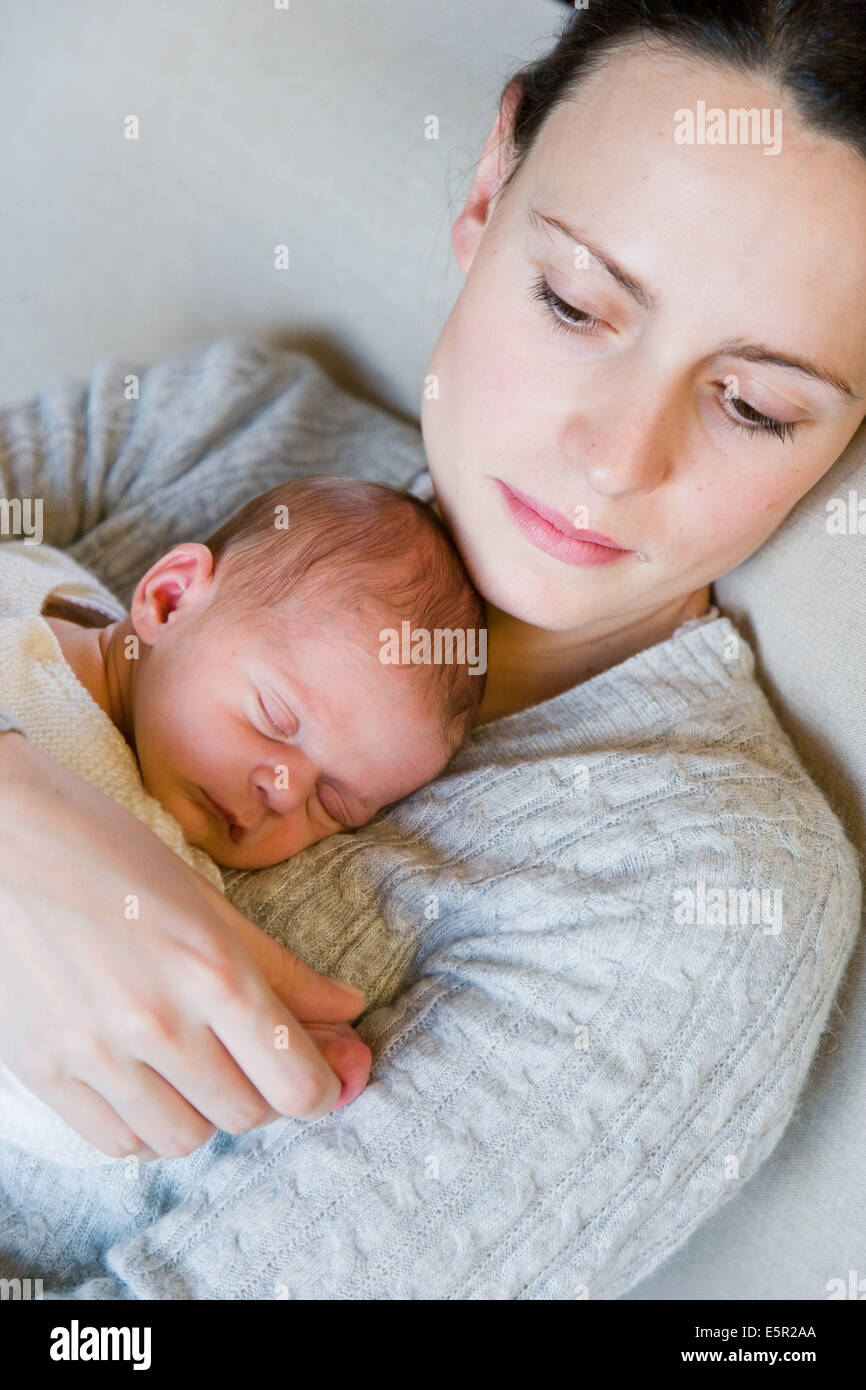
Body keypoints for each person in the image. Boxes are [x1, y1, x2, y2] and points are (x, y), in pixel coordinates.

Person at [0, 0, 864, 1298]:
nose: (611, 457)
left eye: (753, 404)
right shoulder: (232, 425)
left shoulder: (691, 887)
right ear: (487, 185)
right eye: (575, 304)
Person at [0, 475, 485, 1163]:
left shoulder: (165, 864)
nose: (283, 791)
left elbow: (115, 1057)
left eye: (333, 804)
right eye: (276, 719)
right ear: (168, 601)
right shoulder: (41, 593)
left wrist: (277, 1041)